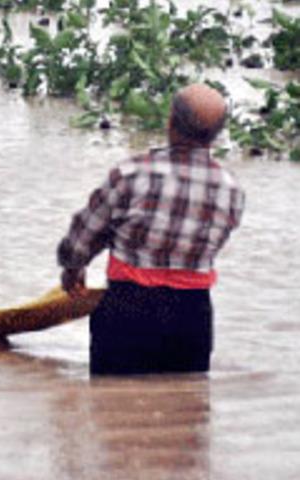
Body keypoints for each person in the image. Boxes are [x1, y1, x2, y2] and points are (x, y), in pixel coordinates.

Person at [57, 83, 245, 375]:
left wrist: (73, 269)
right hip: (192, 317)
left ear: (170, 122)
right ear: (216, 135)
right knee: (185, 410)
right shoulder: (231, 189)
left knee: (111, 407)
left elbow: (85, 234)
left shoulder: (132, 174)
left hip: (128, 309)